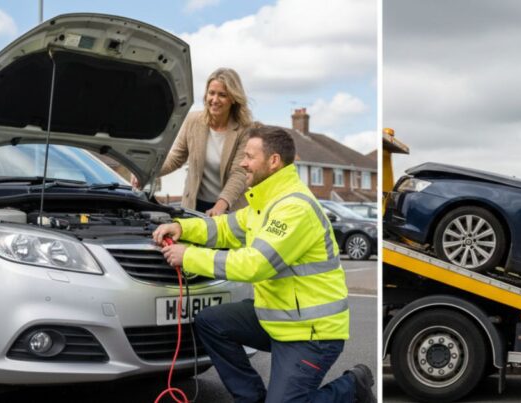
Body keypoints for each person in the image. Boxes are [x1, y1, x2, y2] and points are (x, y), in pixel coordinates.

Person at [153, 126, 375, 403]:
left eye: (249, 156)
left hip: (311, 332)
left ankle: (353, 387)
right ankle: (252, 397)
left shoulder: (293, 208)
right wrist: (181, 227)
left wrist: (188, 256)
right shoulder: (265, 203)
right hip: (277, 317)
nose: (242, 163)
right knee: (210, 322)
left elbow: (255, 264)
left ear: (273, 161)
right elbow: (223, 228)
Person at [133, 67, 255, 216]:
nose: (215, 100)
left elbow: (239, 173)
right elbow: (175, 159)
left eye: (222, 95)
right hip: (194, 205)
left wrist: (220, 206)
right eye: (211, 93)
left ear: (233, 98)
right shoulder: (193, 121)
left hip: (229, 207)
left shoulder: (245, 129)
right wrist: (145, 173)